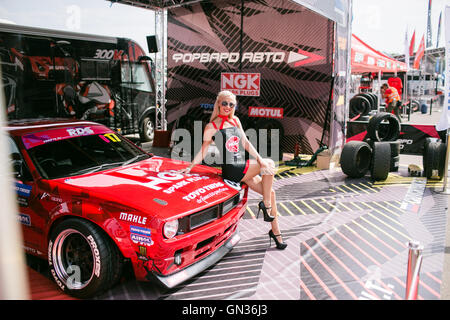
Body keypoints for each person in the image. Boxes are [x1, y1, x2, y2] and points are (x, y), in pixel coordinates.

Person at [179, 90, 287, 250]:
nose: (228, 107)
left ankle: (276, 233)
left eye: (231, 104)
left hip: (243, 166)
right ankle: (265, 206)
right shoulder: (212, 126)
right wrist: (190, 167)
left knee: (270, 192)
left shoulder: (235, 121)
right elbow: (203, 150)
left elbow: (246, 144)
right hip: (232, 169)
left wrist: (259, 159)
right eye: (224, 103)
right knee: (270, 165)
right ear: (218, 104)